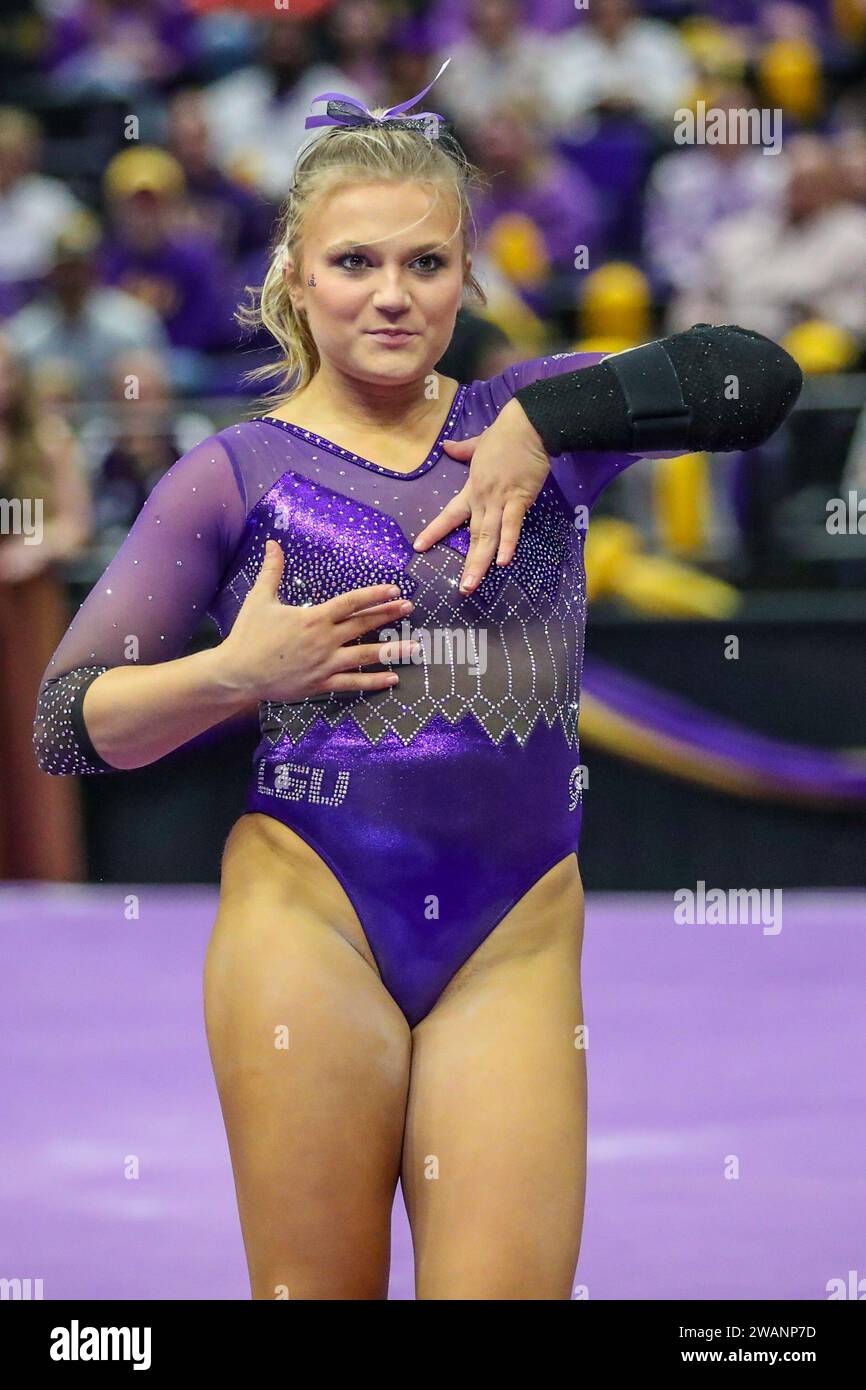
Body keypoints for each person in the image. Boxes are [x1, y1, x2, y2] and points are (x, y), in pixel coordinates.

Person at [33, 67, 800, 1299]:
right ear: (294, 274)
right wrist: (235, 672)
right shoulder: (233, 473)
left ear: (465, 274)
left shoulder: (534, 422)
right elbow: (65, 727)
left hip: (513, 932)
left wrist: (548, 422)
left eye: (426, 264)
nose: (392, 296)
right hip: (311, 918)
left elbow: (755, 378)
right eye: (353, 264)